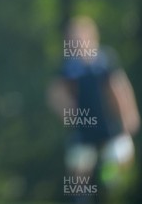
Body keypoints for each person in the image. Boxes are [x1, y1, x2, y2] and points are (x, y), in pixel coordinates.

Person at [48, 16, 139, 201]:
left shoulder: (104, 61)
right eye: (73, 39)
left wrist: (129, 115)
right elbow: (54, 94)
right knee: (79, 171)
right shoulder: (69, 67)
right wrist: (68, 111)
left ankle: (109, 186)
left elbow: (119, 88)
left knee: (119, 164)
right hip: (84, 131)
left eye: (80, 37)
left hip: (109, 127)